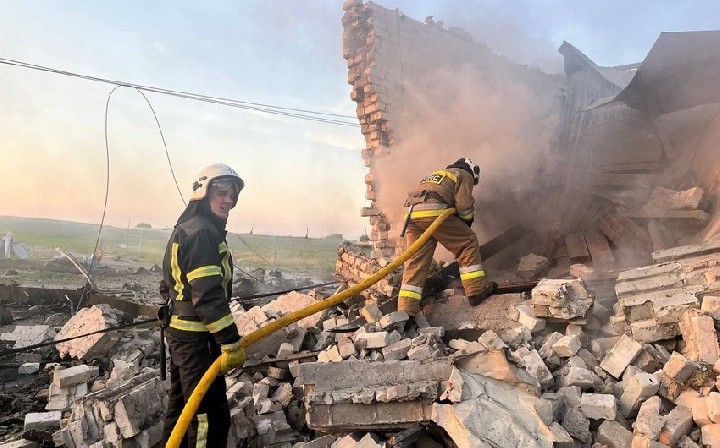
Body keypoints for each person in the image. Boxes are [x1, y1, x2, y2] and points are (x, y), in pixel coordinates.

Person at [160, 163, 247, 448]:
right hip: (196, 339)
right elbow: (208, 296)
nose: (228, 200)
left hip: (181, 335)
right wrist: (230, 341)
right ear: (203, 194)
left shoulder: (187, 228)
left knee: (182, 409)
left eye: (232, 195)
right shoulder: (203, 233)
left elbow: (167, 284)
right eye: (221, 193)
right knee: (208, 418)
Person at [398, 157, 496, 316]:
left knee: (415, 261)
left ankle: (406, 311)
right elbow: (464, 205)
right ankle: (476, 291)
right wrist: (466, 222)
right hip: (433, 212)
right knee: (468, 242)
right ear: (473, 171)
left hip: (411, 217)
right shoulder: (464, 173)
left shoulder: (439, 174)